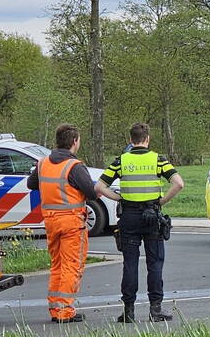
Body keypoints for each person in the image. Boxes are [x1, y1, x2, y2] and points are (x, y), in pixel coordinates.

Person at [96, 123, 184, 323]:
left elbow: (99, 186)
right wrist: (161, 201)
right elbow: (179, 183)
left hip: (129, 217)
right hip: (152, 216)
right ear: (147, 139)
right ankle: (155, 310)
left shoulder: (121, 161)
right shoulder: (158, 160)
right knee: (155, 264)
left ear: (131, 140)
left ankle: (129, 311)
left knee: (130, 264)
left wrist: (118, 199)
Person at [26, 124, 104, 324]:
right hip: (71, 222)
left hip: (51, 221)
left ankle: (55, 309)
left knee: (57, 265)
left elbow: (31, 184)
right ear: (74, 141)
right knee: (72, 266)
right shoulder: (74, 166)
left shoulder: (43, 163)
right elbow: (92, 192)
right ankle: (64, 311)